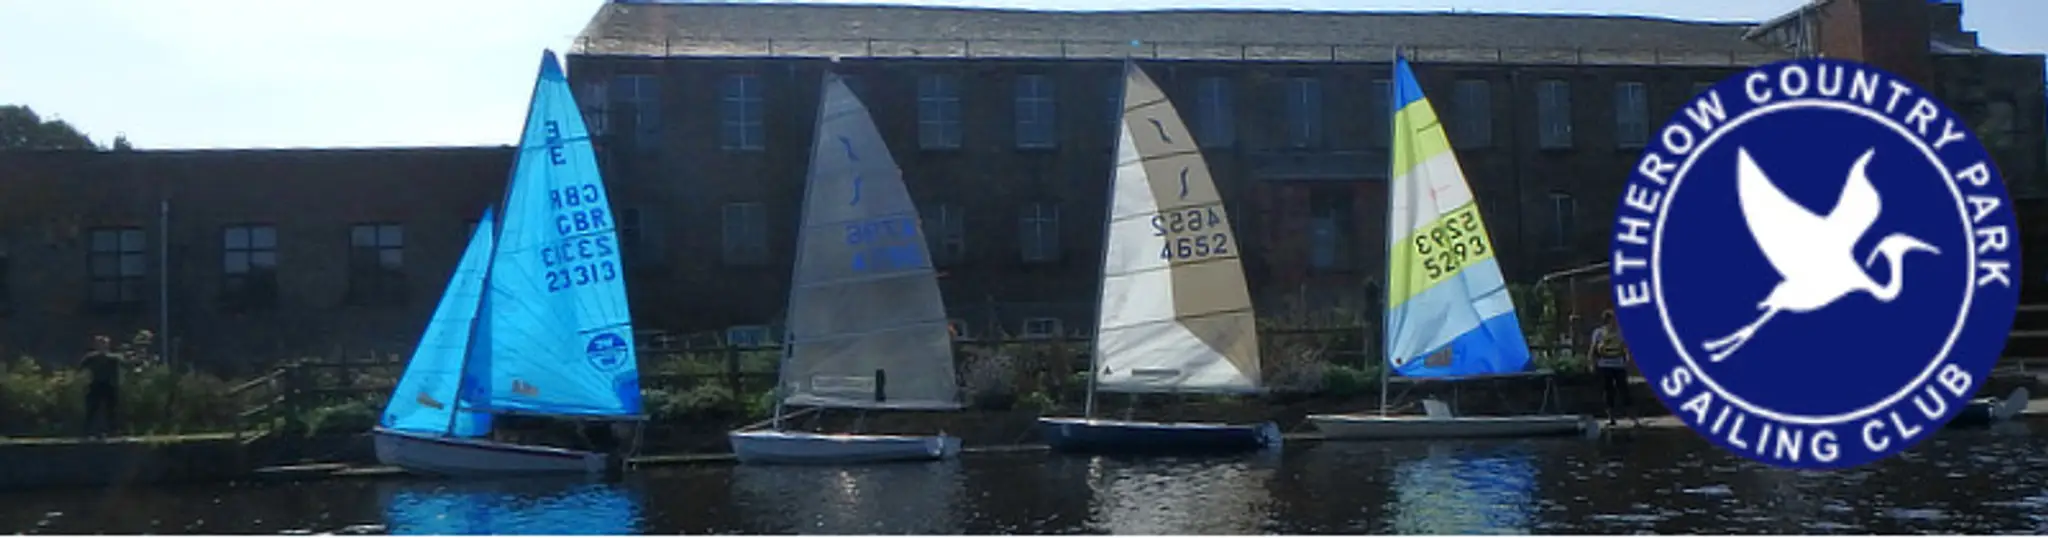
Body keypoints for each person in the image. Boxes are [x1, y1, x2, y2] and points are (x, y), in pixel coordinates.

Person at [1586, 311, 1643, 427]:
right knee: (1608, 391)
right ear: (1607, 321)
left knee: (1624, 391)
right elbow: (1593, 349)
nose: (1615, 322)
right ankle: (1611, 417)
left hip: (1618, 365)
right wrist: (1591, 363)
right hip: (1604, 365)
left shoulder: (1620, 332)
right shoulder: (1599, 333)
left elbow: (1625, 347)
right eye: (1612, 320)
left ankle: (1634, 418)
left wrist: (1627, 358)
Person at [77, 335, 123, 440]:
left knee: (111, 409)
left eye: (104, 344)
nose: (102, 346)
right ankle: (88, 431)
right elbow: (81, 368)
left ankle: (113, 430)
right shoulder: (91, 358)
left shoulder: (114, 358)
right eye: (100, 344)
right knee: (92, 409)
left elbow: (124, 365)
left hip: (110, 386)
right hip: (96, 385)